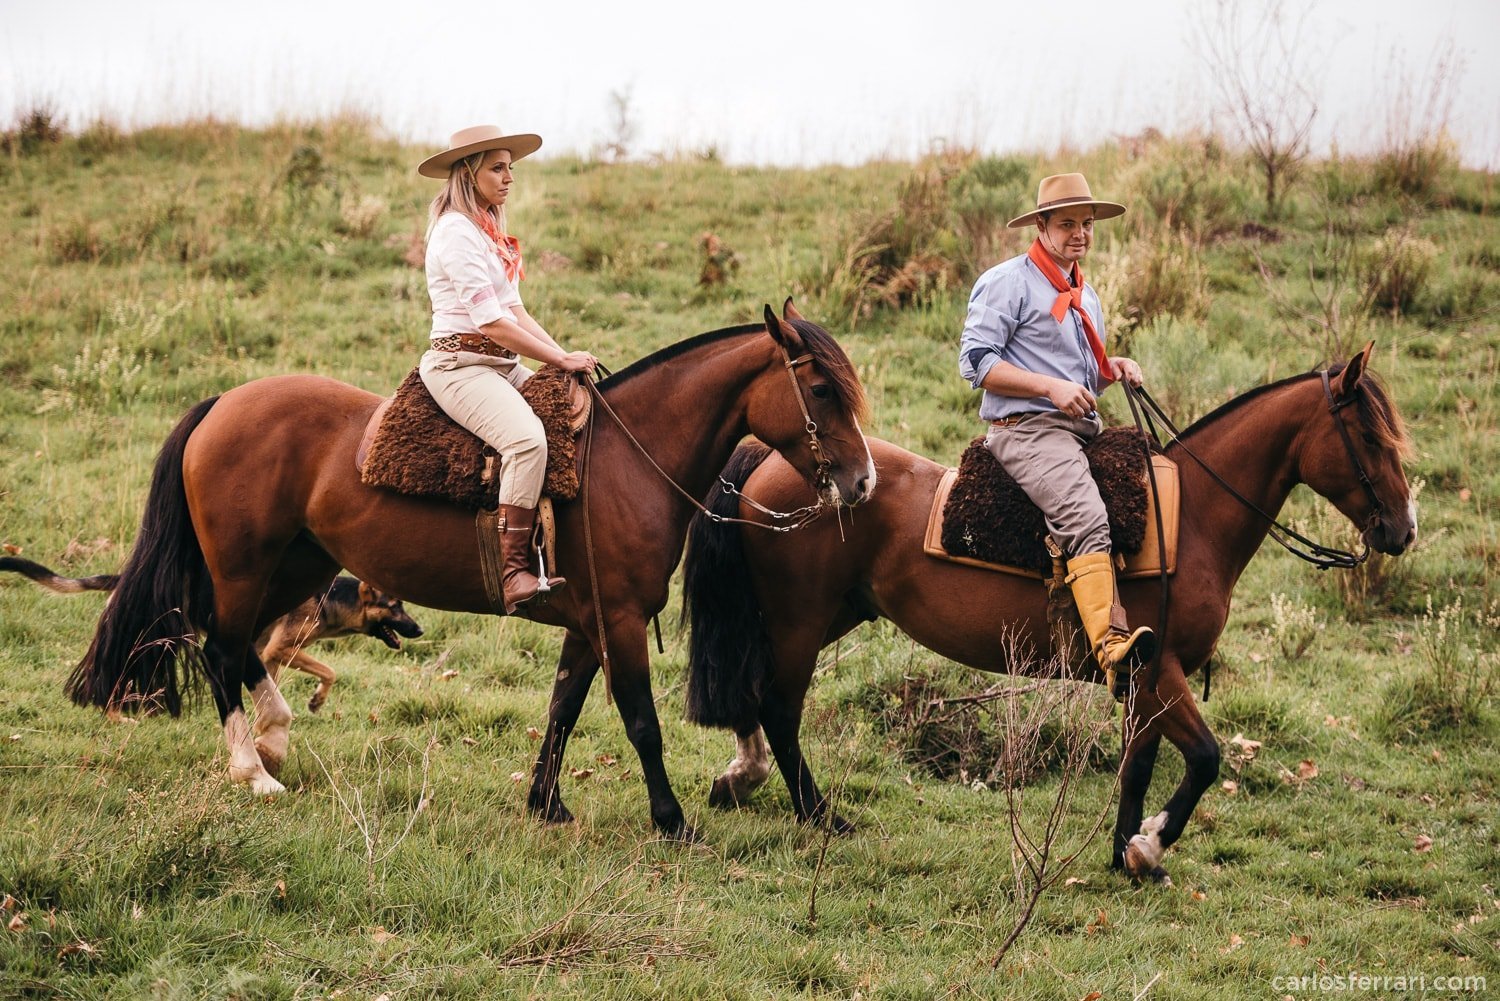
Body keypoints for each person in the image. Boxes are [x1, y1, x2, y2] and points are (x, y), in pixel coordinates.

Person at [957, 172, 1155, 697]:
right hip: (1026, 430)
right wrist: (1049, 388)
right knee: (1087, 518)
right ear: (1041, 225)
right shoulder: (1008, 281)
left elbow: (1082, 380)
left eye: (1086, 224)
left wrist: (1113, 368)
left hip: (1078, 431)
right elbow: (975, 362)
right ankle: (1111, 650)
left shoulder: (1085, 296)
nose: (1080, 234)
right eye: (1067, 223)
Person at [417, 125, 598, 614]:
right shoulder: (455, 232)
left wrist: (565, 362)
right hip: (460, 366)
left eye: (510, 168)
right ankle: (514, 571)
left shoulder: (489, 233)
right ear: (469, 172)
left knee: (573, 408)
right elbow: (492, 323)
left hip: (500, 365)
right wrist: (557, 359)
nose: (508, 177)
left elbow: (517, 312)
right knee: (526, 440)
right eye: (497, 168)